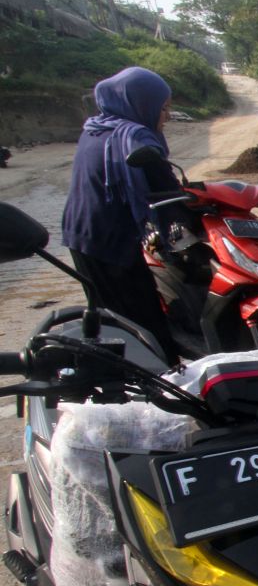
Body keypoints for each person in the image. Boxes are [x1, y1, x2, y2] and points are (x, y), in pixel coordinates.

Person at [61, 66, 180, 363]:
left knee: (111, 312)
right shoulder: (135, 138)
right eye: (163, 108)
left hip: (82, 233)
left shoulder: (98, 129)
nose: (166, 116)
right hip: (109, 242)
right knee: (141, 321)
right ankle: (159, 380)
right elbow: (168, 191)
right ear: (143, 104)